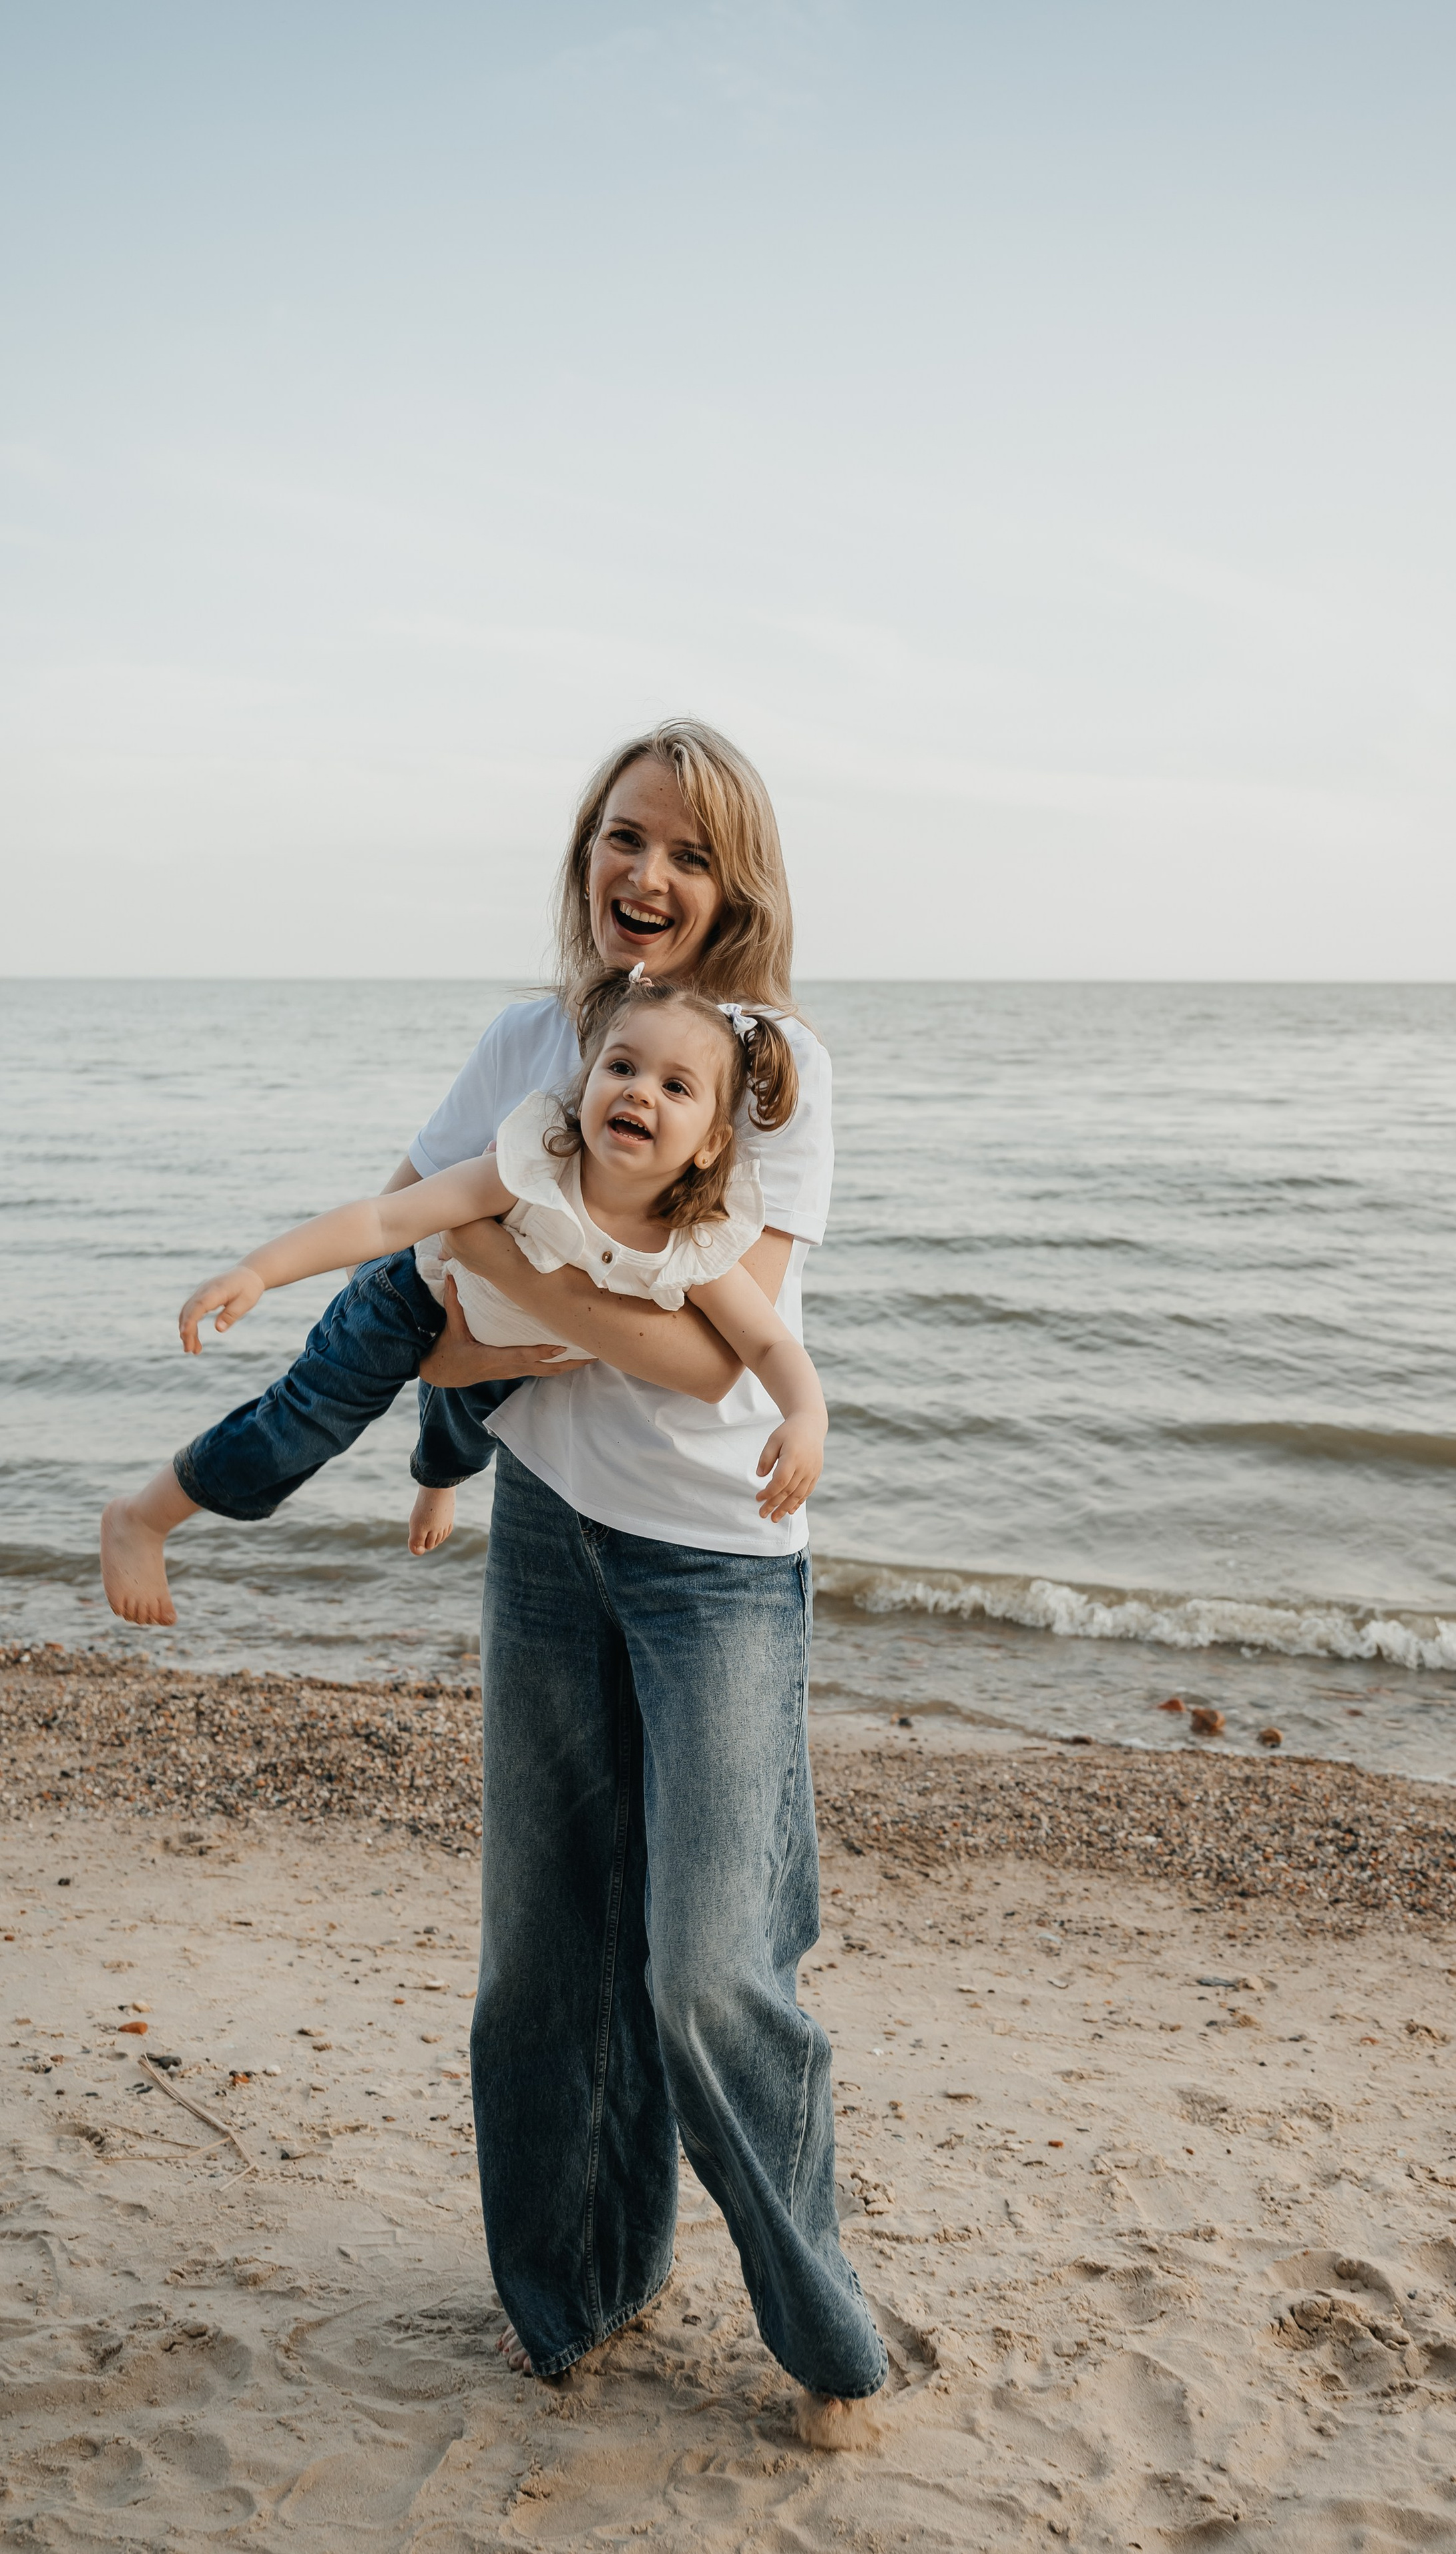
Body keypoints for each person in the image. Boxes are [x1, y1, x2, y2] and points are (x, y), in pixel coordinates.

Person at [135, 719, 887, 2439]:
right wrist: (416, 1289)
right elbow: (412, 1293)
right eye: (626, 836)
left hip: (719, 1567)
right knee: (542, 1959)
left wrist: (487, 1267)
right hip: (550, 1535)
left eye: (690, 853)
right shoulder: (521, 1044)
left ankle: (826, 2330)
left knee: (712, 1963)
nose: (650, 875)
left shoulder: (770, 1068)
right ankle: (573, 2297)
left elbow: (712, 1360)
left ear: (737, 884)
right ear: (587, 850)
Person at [107, 971, 827, 1590]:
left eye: (675, 1085)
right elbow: (385, 1222)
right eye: (622, 1067)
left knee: (468, 1427)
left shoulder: (691, 1246)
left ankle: (435, 1484)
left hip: (511, 1347)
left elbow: (765, 1345)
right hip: (406, 1302)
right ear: (583, 1086)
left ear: (710, 1145)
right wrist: (259, 1270)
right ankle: (147, 1513)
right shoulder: (529, 1168)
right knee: (305, 1427)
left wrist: (805, 1417)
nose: (641, 1092)